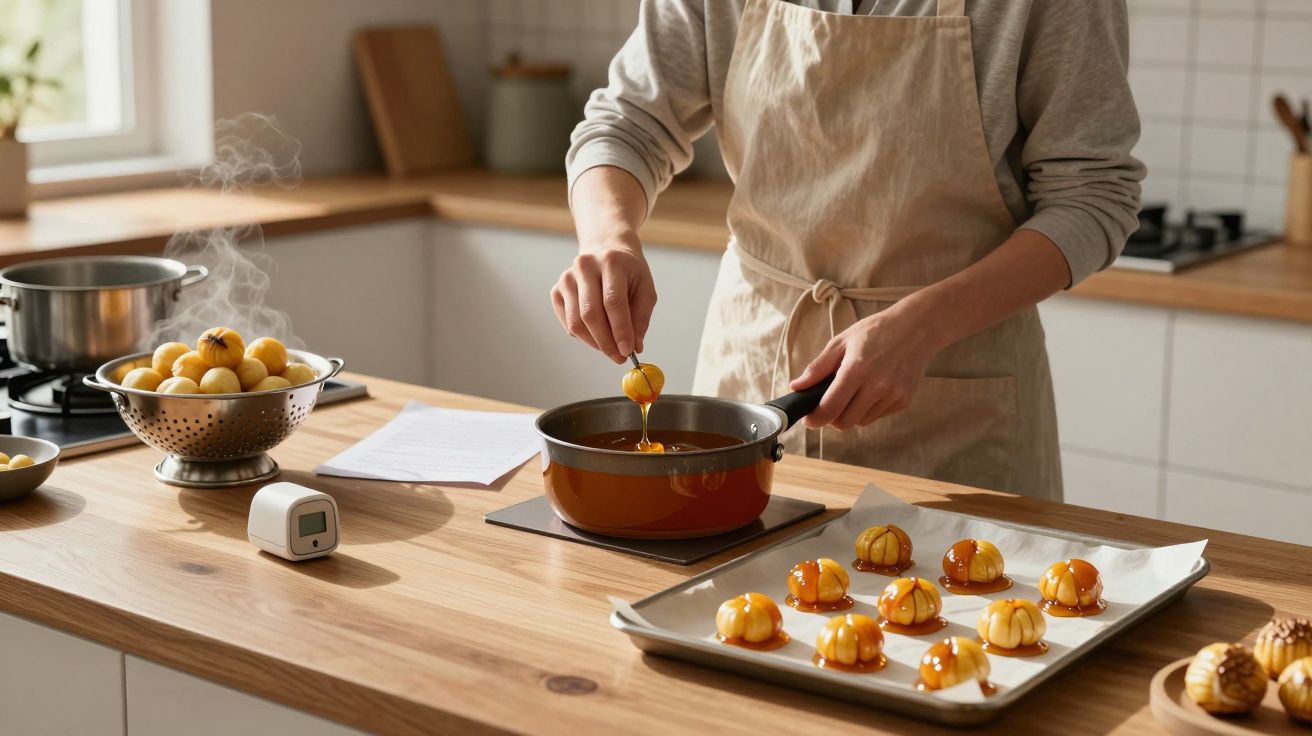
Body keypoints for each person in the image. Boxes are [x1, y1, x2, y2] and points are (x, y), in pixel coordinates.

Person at [550, 0, 1144, 500]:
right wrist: (609, 237)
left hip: (956, 398)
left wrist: (923, 325)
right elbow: (628, 121)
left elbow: (1093, 195)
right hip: (754, 369)